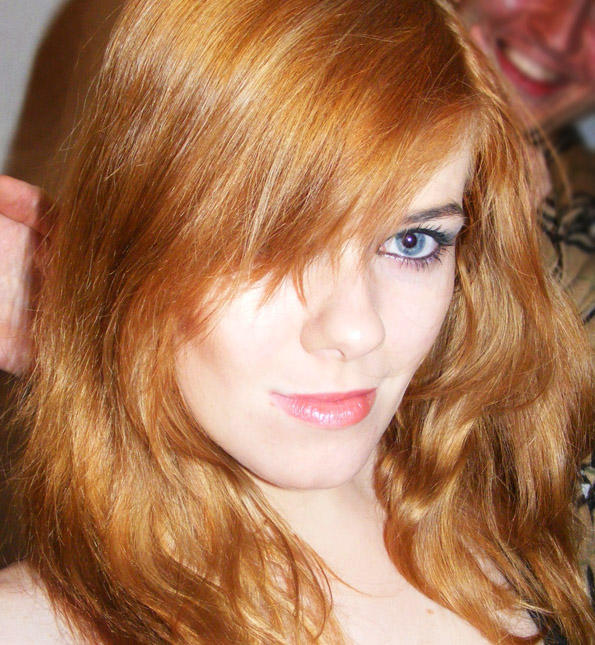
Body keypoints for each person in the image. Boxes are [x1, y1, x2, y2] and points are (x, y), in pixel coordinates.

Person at [0, 0, 593, 643]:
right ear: (133, 244)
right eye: (269, 243)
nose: (358, 330)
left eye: (413, 242)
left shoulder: (515, 501)